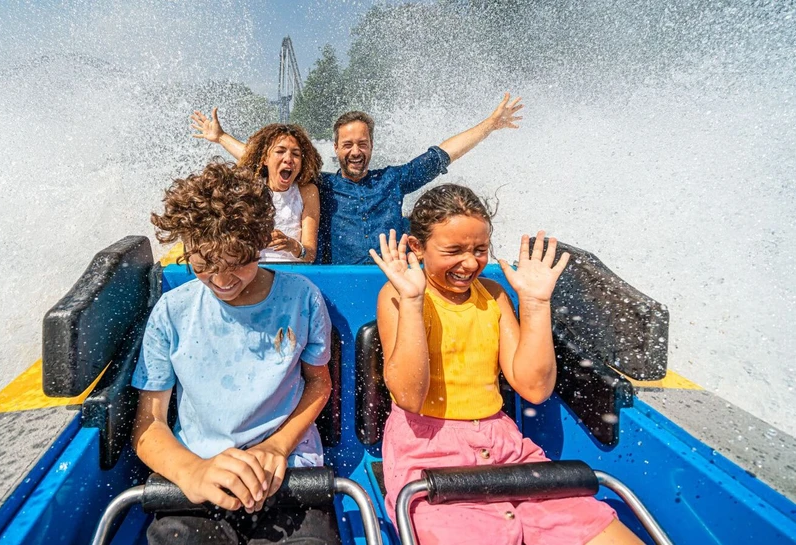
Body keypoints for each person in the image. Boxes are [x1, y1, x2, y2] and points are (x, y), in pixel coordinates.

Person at [369, 184, 644, 545]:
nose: (470, 263)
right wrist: (411, 299)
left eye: (480, 250)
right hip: (428, 452)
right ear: (417, 247)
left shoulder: (495, 297)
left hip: (506, 448)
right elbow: (408, 395)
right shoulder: (397, 294)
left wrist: (534, 302)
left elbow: (533, 387)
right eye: (453, 251)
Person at [131, 160, 338, 544]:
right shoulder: (171, 313)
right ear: (188, 249)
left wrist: (277, 446)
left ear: (261, 242)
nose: (223, 281)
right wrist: (192, 472)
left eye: (238, 263)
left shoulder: (302, 298)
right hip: (197, 475)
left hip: (291, 474)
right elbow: (149, 423)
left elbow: (318, 385)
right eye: (204, 265)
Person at [190, 94, 522, 264]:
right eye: (347, 144)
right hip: (335, 282)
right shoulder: (321, 185)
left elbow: (440, 156)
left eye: (362, 144)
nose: (355, 151)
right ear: (336, 148)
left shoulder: (393, 179)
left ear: (371, 147)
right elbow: (270, 157)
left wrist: (490, 125)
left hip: (387, 280)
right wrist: (221, 137)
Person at [191, 113, 323, 262]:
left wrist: (292, 245)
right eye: (280, 151)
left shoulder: (307, 191)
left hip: (293, 271)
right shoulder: (251, 186)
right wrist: (220, 136)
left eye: (296, 154)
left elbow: (310, 255)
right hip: (253, 270)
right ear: (265, 159)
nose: (288, 159)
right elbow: (249, 156)